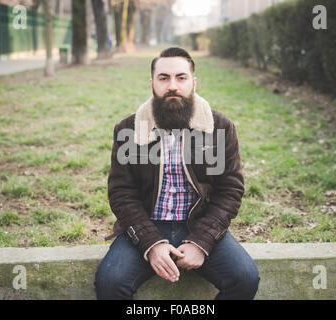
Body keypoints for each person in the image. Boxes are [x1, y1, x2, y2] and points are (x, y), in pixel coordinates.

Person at [94, 47, 260, 300]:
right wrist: (151, 244)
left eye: (181, 78)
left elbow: (229, 190)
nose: (172, 86)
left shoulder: (219, 128)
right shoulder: (129, 129)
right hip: (147, 224)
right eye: (164, 78)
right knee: (110, 282)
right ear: (152, 83)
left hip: (199, 223)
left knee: (245, 278)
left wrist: (201, 242)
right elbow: (121, 194)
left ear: (193, 82)